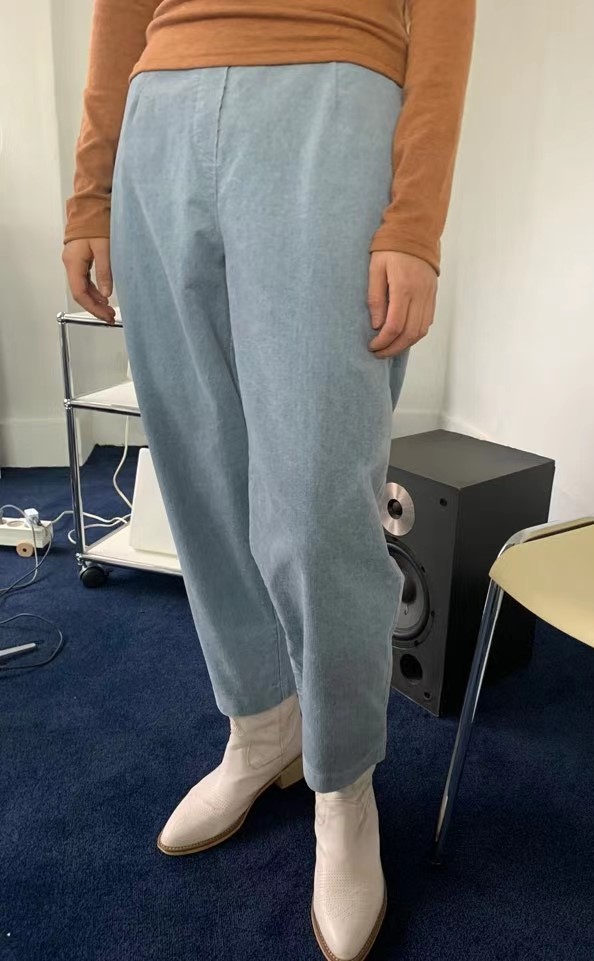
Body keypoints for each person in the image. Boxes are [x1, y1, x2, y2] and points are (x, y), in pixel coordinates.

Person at [61, 2, 475, 958]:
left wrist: (415, 219)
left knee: (321, 492)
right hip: (160, 115)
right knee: (199, 470)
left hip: (332, 99)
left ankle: (343, 782)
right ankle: (261, 726)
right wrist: (91, 191)